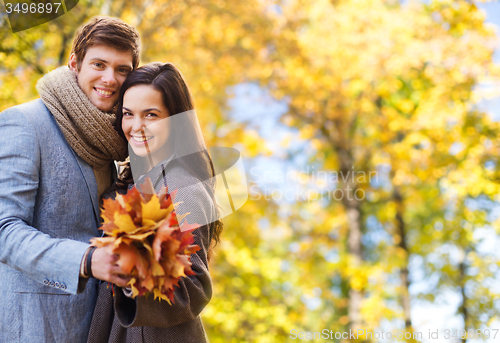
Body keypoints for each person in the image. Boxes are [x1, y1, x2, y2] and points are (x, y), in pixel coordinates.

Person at [0, 16, 140, 343]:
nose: (111, 79)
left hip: (97, 329)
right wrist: (87, 260)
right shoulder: (25, 123)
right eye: (99, 64)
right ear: (74, 63)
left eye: (123, 69)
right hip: (32, 329)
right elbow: (4, 229)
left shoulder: (113, 143)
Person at [87, 62, 223, 343]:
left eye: (151, 115)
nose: (136, 126)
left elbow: (194, 286)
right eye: (128, 114)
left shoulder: (182, 185)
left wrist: (125, 270)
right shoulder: (132, 181)